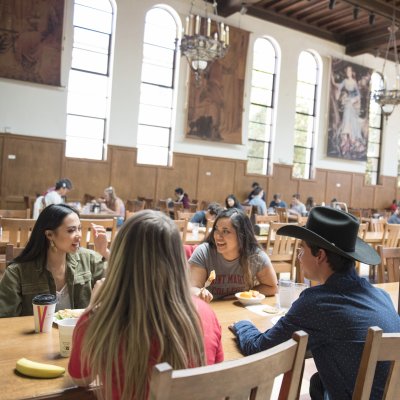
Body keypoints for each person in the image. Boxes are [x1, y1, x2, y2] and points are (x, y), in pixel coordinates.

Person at [229, 207, 400, 400]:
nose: (299, 258)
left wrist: (243, 325)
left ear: (320, 256)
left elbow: (259, 347)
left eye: (302, 249)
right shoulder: (382, 296)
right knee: (318, 382)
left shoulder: (317, 303)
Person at [68, 210, 223, 399]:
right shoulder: (207, 313)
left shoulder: (98, 319)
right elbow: (214, 377)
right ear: (179, 259)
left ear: (119, 258)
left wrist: (92, 306)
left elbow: (81, 379)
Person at [0, 204, 108, 317]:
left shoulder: (89, 259)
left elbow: (121, 284)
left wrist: (105, 252)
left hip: (78, 333)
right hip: (38, 334)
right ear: (49, 234)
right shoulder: (17, 272)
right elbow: (4, 320)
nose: (79, 235)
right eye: (71, 230)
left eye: (79, 229)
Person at [189, 208, 278, 302]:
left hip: (240, 311)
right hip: (211, 308)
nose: (218, 236)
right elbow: (191, 288)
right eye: (216, 230)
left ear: (242, 235)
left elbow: (272, 287)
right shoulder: (204, 252)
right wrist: (199, 293)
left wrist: (243, 295)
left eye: (226, 231)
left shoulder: (256, 256)